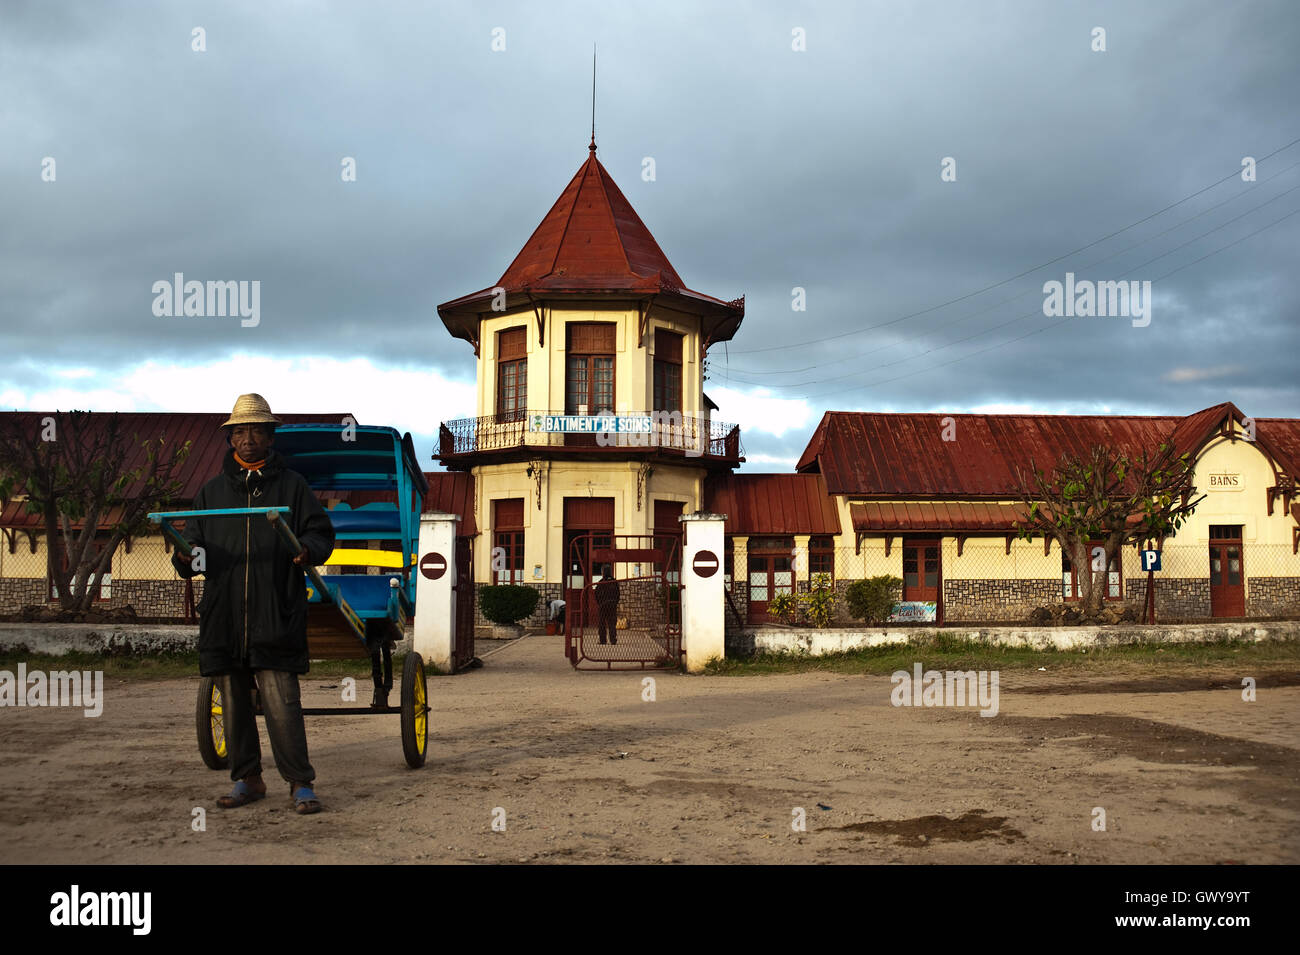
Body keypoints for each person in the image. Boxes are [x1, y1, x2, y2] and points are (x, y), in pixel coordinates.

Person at [172, 394, 335, 815]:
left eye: (257, 430)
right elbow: (195, 546)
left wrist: (307, 550)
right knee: (234, 703)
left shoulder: (292, 487)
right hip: (224, 615)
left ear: (269, 436)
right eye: (240, 431)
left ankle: (300, 782)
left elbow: (320, 534)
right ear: (230, 438)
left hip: (275, 610)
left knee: (282, 701)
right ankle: (248, 779)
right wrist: (186, 555)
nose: (248, 439)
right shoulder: (211, 493)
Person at [594, 564, 620, 645]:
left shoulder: (601, 582)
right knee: (612, 623)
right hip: (612, 605)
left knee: (602, 623)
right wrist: (615, 603)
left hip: (603, 606)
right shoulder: (614, 582)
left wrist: (600, 604)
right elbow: (618, 594)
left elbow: (596, 594)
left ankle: (603, 640)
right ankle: (613, 640)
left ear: (603, 572)